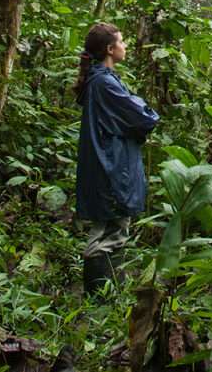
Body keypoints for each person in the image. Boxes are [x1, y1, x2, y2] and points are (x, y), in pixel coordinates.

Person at [73, 23, 159, 295]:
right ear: (110, 49)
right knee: (108, 231)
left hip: (109, 163)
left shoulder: (101, 80)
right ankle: (98, 300)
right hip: (110, 166)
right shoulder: (104, 83)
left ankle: (108, 294)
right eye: (121, 42)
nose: (125, 46)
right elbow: (143, 117)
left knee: (114, 229)